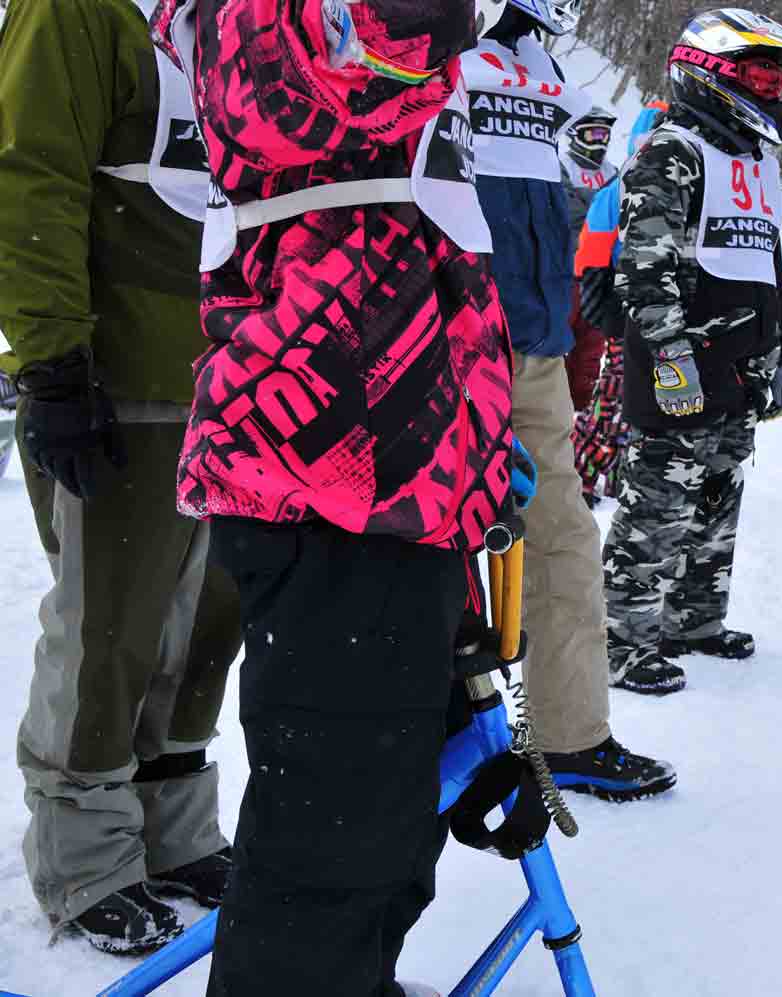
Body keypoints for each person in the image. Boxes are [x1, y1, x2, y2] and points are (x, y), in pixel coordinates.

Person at [155, 0, 550, 990]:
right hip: (329, 474)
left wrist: (479, 439)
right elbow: (368, 63)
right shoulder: (261, 18)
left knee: (383, 826)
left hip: (412, 472)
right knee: (326, 850)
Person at [0, 0, 245, 956]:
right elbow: (29, 177)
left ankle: (172, 827)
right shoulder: (77, 10)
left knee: (206, 619)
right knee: (111, 622)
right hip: (122, 372)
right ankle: (86, 852)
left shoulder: (236, 20)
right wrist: (54, 360)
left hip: (236, 375)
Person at [466, 2, 675, 798]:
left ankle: (570, 734)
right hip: (434, 348)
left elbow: (568, 209)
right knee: (426, 558)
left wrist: (576, 337)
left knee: (562, 538)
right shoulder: (423, 40)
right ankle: (419, 742)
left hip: (533, 347)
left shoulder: (550, 73)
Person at [603, 9, 782, 693]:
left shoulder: (755, 159)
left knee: (717, 497)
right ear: (713, 72)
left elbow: (765, 260)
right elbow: (643, 263)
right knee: (655, 505)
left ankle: (693, 618)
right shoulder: (672, 149)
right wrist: (668, 355)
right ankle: (622, 641)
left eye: (776, 74)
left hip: (741, 360)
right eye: (759, 71)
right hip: (680, 357)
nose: (772, 86)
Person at [572, 102, 668, 506]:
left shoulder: (686, 189)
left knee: (649, 408)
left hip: (667, 318)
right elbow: (591, 256)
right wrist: (607, 315)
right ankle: (582, 477)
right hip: (625, 313)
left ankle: (619, 479)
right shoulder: (620, 188)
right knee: (609, 406)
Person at [561, 105, 618, 411]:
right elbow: (571, 215)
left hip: (600, 276)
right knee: (557, 346)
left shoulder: (613, 173)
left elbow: (621, 218)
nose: (599, 141)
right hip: (565, 273)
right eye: (593, 133)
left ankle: (581, 413)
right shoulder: (561, 165)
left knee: (591, 351)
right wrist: (600, 210)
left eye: (605, 134)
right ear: (575, 133)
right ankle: (550, 409)